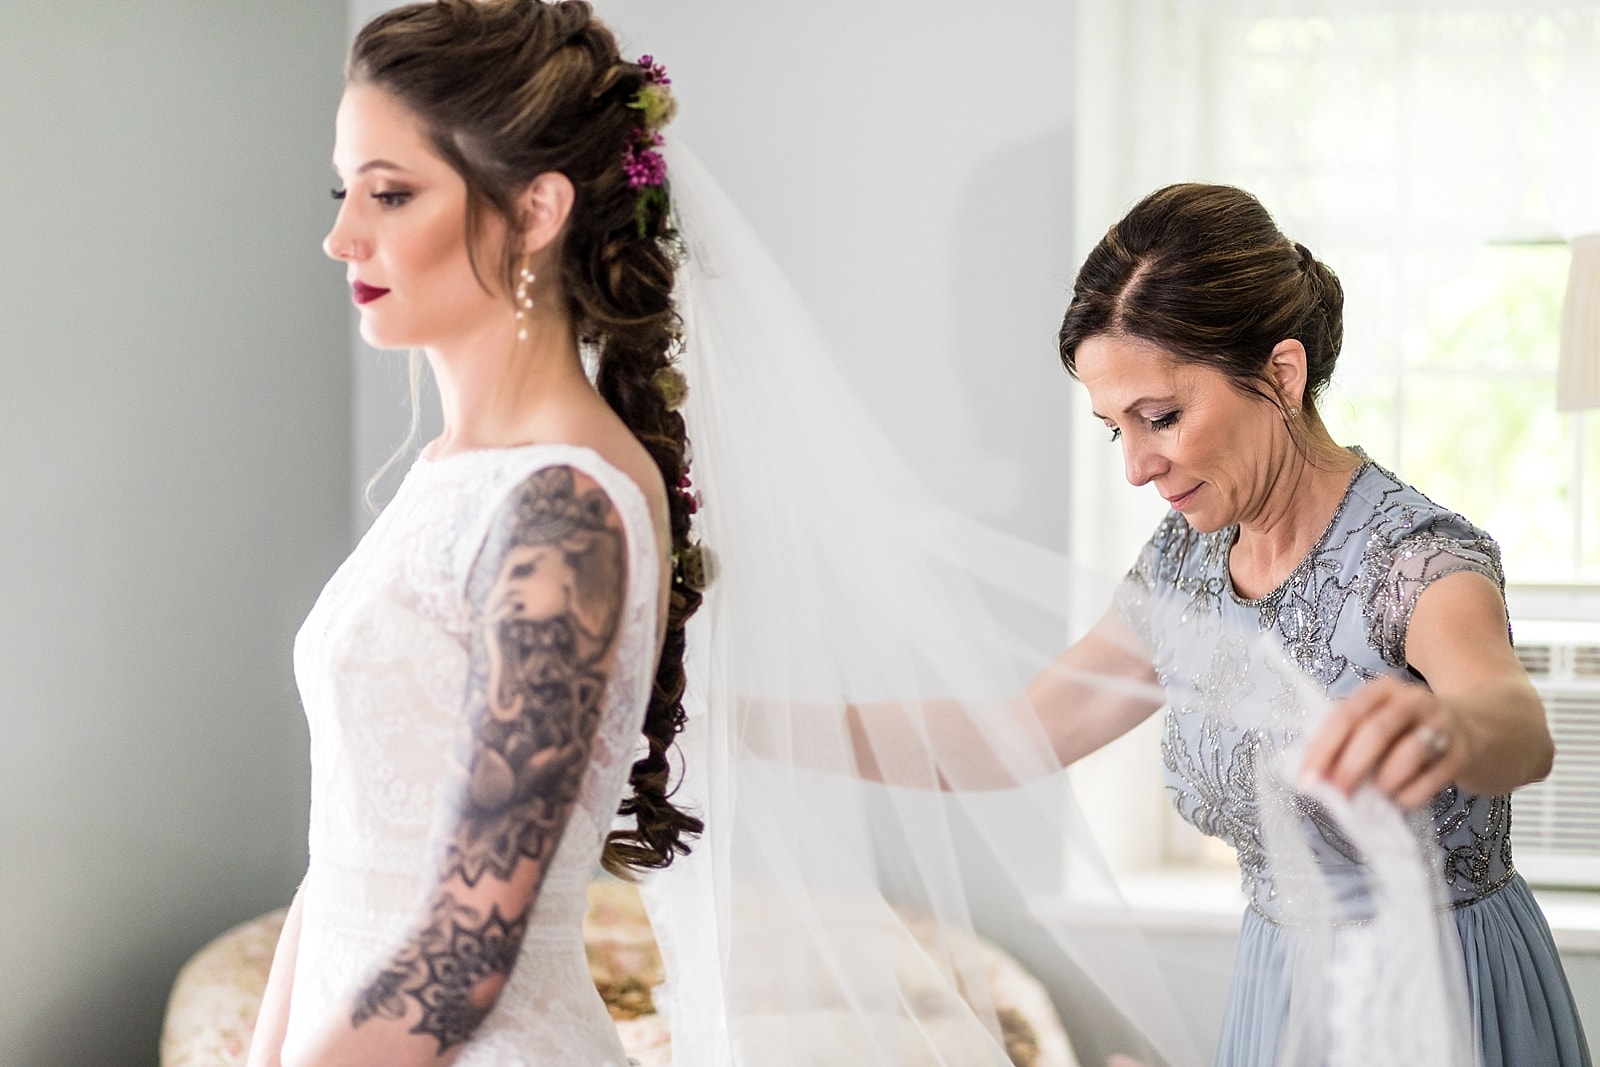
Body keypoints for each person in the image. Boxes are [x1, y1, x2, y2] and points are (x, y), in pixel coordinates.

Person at [244, 3, 706, 1065]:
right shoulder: (451, 475)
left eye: (391, 192)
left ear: (537, 207)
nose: (341, 235)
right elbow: (345, 866)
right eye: (343, 189)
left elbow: (463, 950)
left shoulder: (564, 508)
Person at [1049, 181, 1593, 1066]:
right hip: (1279, 989)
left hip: (1441, 996)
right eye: (1118, 430)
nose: (1139, 466)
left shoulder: (1416, 559)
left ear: (1282, 372)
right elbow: (1016, 732)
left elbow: (1518, 729)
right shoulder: (1182, 564)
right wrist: (754, 717)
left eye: (1162, 417)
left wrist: (1448, 725)